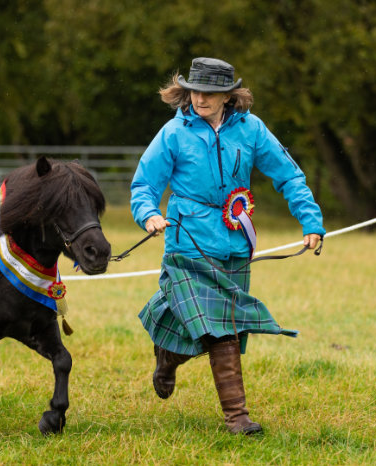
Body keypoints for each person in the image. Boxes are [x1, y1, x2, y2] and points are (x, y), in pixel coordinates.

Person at [130, 57, 325, 435]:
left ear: (228, 96)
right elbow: (143, 185)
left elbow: (289, 174)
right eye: (195, 91)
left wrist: (310, 220)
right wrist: (148, 214)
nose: (200, 98)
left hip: (237, 246)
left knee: (218, 325)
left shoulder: (252, 130)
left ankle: (167, 356)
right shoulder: (173, 133)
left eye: (210, 92)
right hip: (187, 245)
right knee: (222, 331)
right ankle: (237, 418)